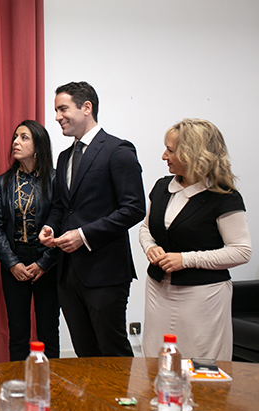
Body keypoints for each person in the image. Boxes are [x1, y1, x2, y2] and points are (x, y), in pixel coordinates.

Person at [39, 81, 146, 357]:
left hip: (105, 272)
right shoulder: (64, 157)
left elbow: (134, 208)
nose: (57, 117)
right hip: (67, 274)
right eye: (56, 110)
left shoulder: (118, 150)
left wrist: (83, 235)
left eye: (63, 109)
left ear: (86, 108)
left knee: (112, 351)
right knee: (85, 354)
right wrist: (50, 226)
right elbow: (63, 206)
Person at [139, 119, 251, 361]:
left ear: (192, 154)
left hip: (203, 297)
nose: (163, 156)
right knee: (156, 361)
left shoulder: (224, 197)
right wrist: (151, 247)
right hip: (158, 290)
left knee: (200, 365)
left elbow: (241, 251)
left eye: (170, 150)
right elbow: (147, 228)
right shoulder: (161, 187)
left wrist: (186, 260)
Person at [0, 120, 60, 361]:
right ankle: (18, 386)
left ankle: (51, 385)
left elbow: (60, 222)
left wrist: (44, 263)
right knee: (18, 331)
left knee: (48, 330)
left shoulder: (54, 179)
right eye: (15, 137)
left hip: (47, 262)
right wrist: (11, 263)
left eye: (24, 137)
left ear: (38, 146)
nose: (15, 142)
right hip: (15, 259)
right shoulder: (4, 181)